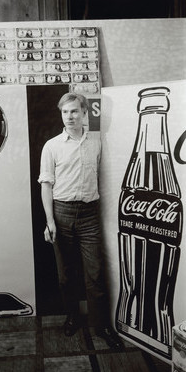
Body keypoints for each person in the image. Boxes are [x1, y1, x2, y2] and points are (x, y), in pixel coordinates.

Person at [38, 92, 122, 349]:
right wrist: (49, 221)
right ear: (61, 115)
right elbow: (46, 185)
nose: (70, 116)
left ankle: (102, 326)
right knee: (66, 275)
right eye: (65, 112)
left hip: (89, 215)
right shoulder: (52, 146)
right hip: (61, 213)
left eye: (74, 111)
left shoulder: (96, 143)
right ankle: (73, 317)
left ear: (85, 113)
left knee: (95, 274)